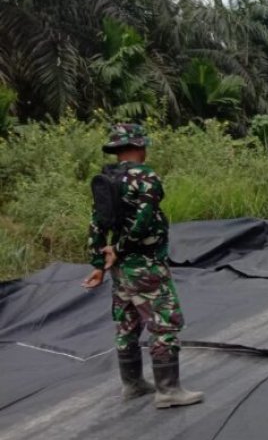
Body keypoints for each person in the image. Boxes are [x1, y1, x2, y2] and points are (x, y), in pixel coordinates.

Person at [82, 123, 204, 408]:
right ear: (139, 147)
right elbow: (144, 222)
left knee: (127, 324)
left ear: (116, 150)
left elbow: (96, 224)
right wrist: (122, 249)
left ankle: (133, 384)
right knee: (164, 323)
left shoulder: (106, 178)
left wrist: (100, 262)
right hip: (145, 264)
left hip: (120, 270)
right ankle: (168, 391)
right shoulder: (145, 177)